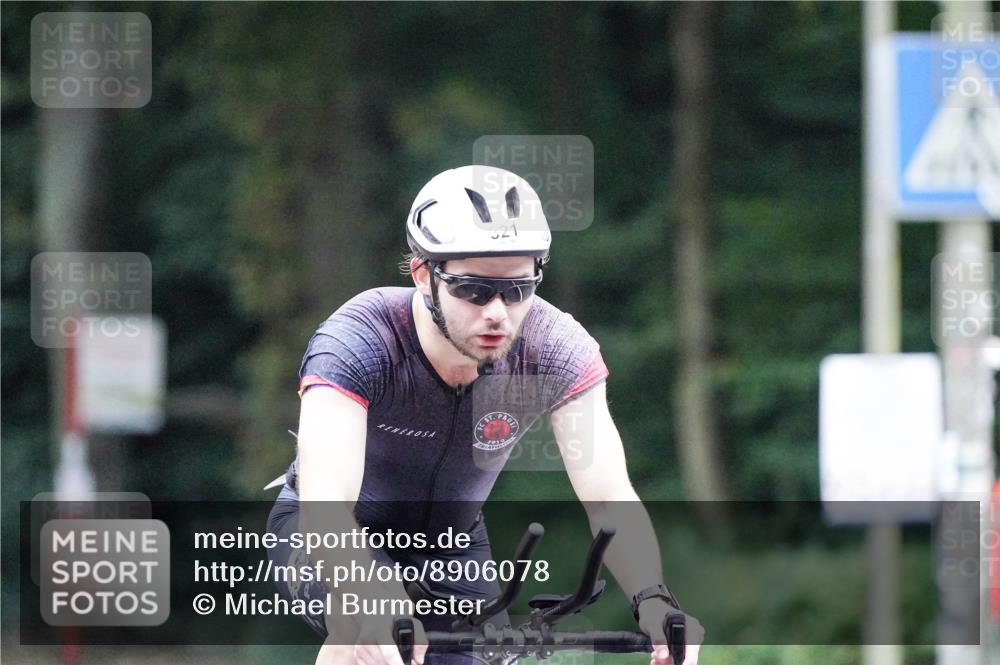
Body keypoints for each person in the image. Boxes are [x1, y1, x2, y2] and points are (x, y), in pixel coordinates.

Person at [266, 165, 701, 665]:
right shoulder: (360, 339)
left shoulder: (555, 348)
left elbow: (608, 497)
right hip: (328, 529)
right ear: (424, 274)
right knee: (364, 632)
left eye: (518, 289)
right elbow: (327, 508)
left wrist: (653, 599)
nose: (497, 312)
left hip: (453, 543)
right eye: (474, 289)